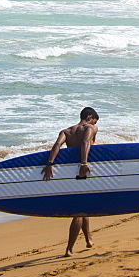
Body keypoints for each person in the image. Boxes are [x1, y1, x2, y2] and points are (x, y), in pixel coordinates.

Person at [41, 106, 99, 256]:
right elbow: (86, 143)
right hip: (83, 170)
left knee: (83, 204)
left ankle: (88, 239)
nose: (94, 124)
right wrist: (84, 163)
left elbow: (57, 145)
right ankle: (69, 249)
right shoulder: (91, 128)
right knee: (79, 209)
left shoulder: (66, 131)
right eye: (94, 120)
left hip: (69, 172)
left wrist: (50, 164)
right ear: (90, 117)